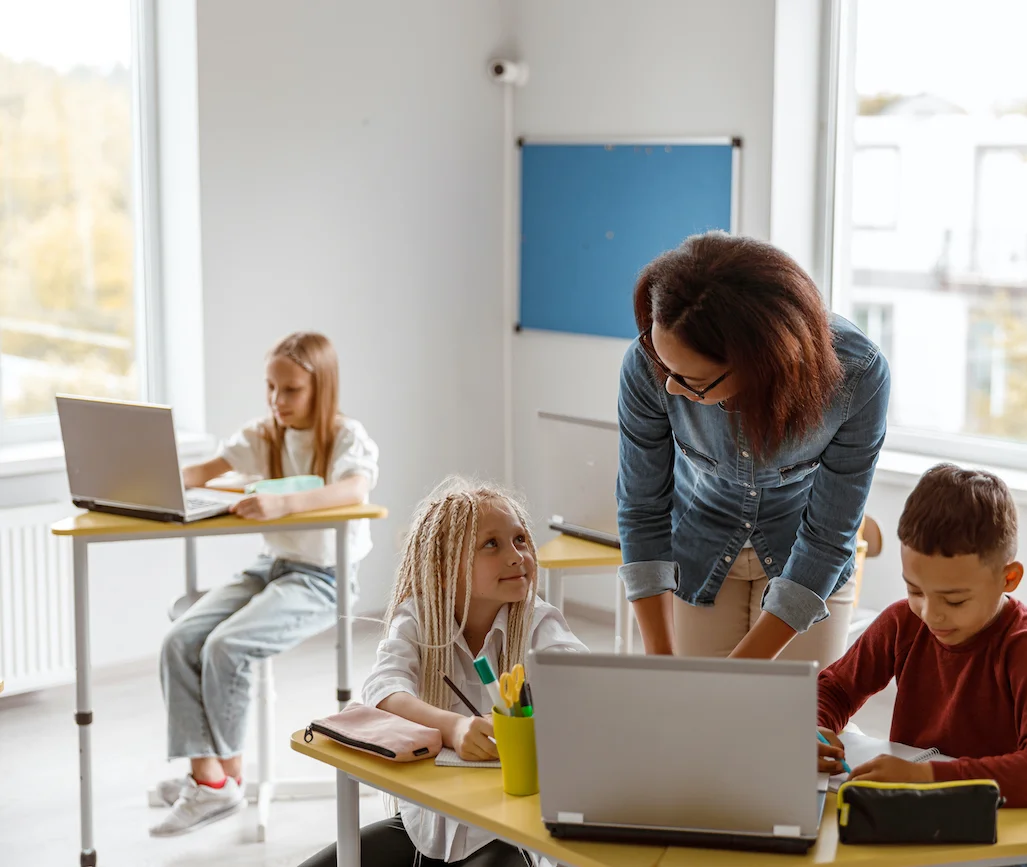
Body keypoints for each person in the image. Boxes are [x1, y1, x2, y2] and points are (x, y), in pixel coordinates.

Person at [617, 232, 890, 662]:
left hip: (804, 557)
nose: (670, 385)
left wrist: (740, 675)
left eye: (692, 381)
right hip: (700, 548)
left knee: (792, 717)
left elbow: (827, 537)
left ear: (761, 363)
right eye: (662, 364)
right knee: (702, 719)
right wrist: (660, 660)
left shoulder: (857, 376)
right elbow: (641, 509)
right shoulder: (649, 364)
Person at [151, 331, 380, 836]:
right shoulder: (264, 435)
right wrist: (145, 475)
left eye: (291, 390)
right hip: (270, 567)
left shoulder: (346, 439)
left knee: (227, 647)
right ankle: (211, 779)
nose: (278, 401)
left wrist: (282, 503)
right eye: (271, 389)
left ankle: (216, 783)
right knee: (179, 640)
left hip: (324, 579)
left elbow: (355, 488)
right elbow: (203, 472)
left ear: (322, 388)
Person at [300, 478, 586, 867]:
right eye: (492, 544)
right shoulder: (418, 617)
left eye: (520, 540)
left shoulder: (537, 620)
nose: (517, 555)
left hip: (508, 835)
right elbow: (384, 689)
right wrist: (455, 728)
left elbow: (580, 682)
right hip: (427, 827)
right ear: (444, 567)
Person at [815, 464, 1027, 808]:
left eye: (955, 600)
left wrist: (926, 777)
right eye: (915, 590)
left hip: (997, 833)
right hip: (912, 817)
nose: (930, 613)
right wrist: (814, 731)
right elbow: (834, 689)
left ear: (1008, 579)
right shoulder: (903, 621)